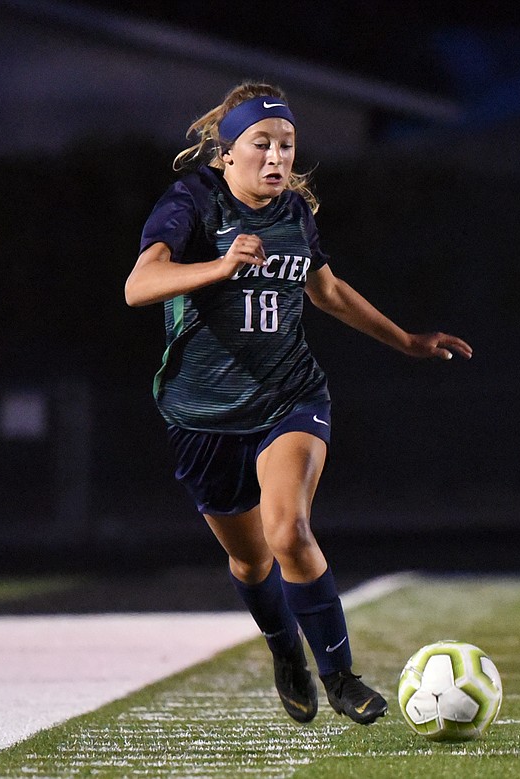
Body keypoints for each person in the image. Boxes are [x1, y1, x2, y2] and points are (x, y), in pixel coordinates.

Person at [125, 82, 472, 726]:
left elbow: (327, 290)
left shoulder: (293, 213)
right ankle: (285, 649)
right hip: (202, 413)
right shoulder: (192, 202)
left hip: (290, 393)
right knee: (250, 559)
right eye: (262, 144)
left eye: (287, 144)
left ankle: (340, 677)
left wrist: (407, 340)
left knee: (289, 531)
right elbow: (139, 285)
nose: (277, 157)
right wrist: (220, 267)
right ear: (227, 154)